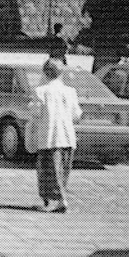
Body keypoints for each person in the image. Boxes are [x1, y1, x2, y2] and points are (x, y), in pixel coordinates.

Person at [26, 57, 82, 213]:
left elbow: (36, 113)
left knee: (48, 170)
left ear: (45, 73)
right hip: (67, 137)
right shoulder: (70, 91)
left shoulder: (41, 91)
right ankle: (57, 200)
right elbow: (76, 114)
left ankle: (56, 201)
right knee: (62, 170)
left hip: (49, 137)